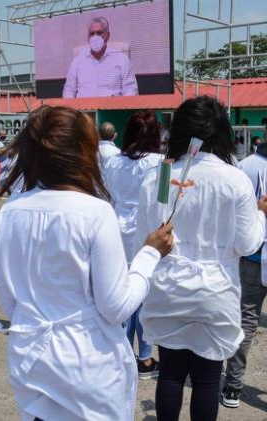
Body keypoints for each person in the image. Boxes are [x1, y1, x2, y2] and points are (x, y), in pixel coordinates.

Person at [0, 105, 173, 421]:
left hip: (31, 359)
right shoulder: (94, 212)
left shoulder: (12, 211)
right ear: (82, 152)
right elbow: (115, 307)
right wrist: (150, 255)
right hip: (86, 363)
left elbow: (9, 302)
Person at [137, 96, 267, 421]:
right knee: (207, 379)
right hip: (216, 291)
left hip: (169, 287)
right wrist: (261, 216)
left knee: (170, 373)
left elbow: (146, 235)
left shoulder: (160, 176)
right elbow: (248, 243)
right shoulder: (234, 178)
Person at [102, 110, 164, 379]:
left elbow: (108, 195)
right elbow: (163, 202)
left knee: (123, 294)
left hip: (117, 229)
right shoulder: (162, 163)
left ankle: (123, 353)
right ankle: (145, 356)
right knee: (144, 296)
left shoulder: (114, 162)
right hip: (147, 231)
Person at [221, 136, 267, 408]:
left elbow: (233, 212)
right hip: (252, 253)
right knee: (247, 320)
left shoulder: (245, 166)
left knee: (246, 320)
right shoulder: (246, 166)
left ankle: (233, 387)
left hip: (251, 252)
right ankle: (234, 386)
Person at [62, 17, 138, 98]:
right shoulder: (77, 61)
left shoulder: (121, 59)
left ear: (108, 36)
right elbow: (69, 90)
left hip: (111, 108)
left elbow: (130, 89)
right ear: (88, 37)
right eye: (92, 34)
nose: (95, 37)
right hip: (84, 109)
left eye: (99, 33)